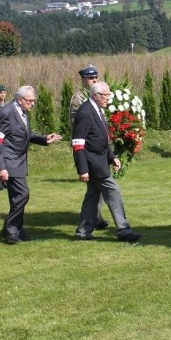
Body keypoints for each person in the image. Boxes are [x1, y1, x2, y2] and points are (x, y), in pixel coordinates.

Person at [71, 81, 142, 242]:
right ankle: (124, 230)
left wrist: (112, 157)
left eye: (109, 95)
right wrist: (83, 170)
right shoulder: (85, 112)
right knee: (113, 191)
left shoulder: (96, 109)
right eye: (106, 95)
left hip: (100, 160)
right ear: (95, 96)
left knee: (92, 197)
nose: (108, 99)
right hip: (93, 163)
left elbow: (100, 138)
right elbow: (78, 143)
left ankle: (82, 232)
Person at [0, 85, 62, 244]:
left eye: (33, 101)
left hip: (19, 161)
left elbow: (25, 134)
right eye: (30, 101)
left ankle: (17, 229)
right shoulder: (7, 112)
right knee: (23, 194)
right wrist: (1, 167)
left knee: (17, 197)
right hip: (10, 161)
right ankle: (10, 229)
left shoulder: (22, 111)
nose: (32, 104)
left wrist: (44, 139)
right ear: (20, 99)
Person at [68, 66, 109, 229]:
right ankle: (95, 218)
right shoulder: (78, 99)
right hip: (87, 147)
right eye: (91, 78)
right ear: (84, 80)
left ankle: (93, 218)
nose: (94, 80)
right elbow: (76, 123)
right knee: (97, 185)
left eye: (96, 78)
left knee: (97, 186)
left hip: (101, 146)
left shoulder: (101, 94)